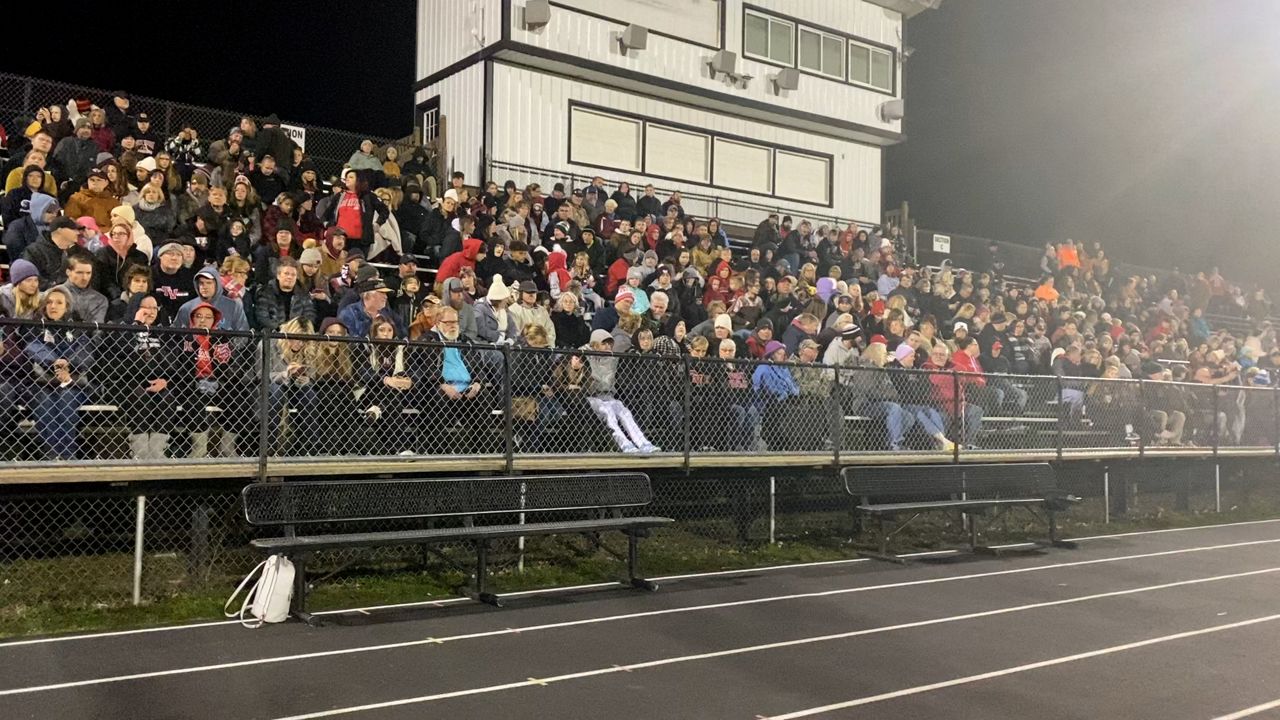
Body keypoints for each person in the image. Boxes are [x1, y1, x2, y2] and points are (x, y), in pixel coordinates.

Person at [23, 288, 94, 460]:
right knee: (45, 404)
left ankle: (67, 456)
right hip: (41, 384)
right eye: (49, 302)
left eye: (59, 303)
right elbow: (32, 348)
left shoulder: (77, 327)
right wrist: (55, 363)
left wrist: (68, 365)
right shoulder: (35, 326)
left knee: (66, 399)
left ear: (67, 306)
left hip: (73, 382)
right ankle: (53, 455)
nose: (53, 306)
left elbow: (86, 353)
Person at [112, 294, 181, 460]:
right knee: (140, 398)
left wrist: (165, 381)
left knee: (168, 399)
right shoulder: (122, 327)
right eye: (145, 307)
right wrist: (136, 324)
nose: (150, 312)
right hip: (129, 381)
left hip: (158, 381)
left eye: (154, 308)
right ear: (136, 308)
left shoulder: (164, 332)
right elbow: (121, 350)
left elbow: (174, 362)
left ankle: (157, 451)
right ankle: (140, 451)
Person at [580, 329, 658, 453]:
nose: (607, 347)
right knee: (607, 411)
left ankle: (643, 443)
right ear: (595, 345)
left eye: (609, 344)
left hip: (609, 396)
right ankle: (625, 445)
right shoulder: (585, 356)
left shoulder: (613, 358)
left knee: (623, 410)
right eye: (603, 343)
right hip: (591, 397)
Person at [25, 217, 92, 290]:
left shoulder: (80, 252)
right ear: (60, 231)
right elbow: (29, 277)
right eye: (73, 229)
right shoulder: (34, 251)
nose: (78, 233)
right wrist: (55, 287)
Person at [254, 257, 316, 331]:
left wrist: (295, 329)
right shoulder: (266, 293)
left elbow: (310, 316)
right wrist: (281, 329)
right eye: (286, 273)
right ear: (278, 275)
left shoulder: (303, 294)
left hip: (297, 334)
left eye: (293, 275)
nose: (290, 277)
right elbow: (262, 317)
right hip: (273, 335)